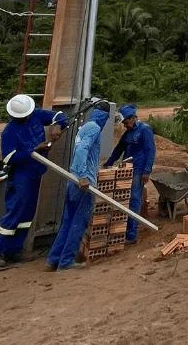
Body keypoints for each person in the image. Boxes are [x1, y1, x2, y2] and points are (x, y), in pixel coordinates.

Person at [0, 94, 67, 268]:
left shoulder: (36, 115)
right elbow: (8, 158)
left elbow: (59, 116)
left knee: (27, 215)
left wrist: (57, 125)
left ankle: (14, 250)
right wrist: (33, 150)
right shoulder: (10, 132)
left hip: (36, 172)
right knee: (15, 212)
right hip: (22, 176)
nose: (27, 118)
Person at [46, 104, 110, 271]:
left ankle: (54, 259)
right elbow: (83, 149)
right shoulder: (94, 128)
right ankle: (66, 262)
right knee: (78, 222)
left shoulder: (84, 127)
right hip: (83, 184)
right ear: (104, 117)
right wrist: (83, 176)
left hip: (72, 180)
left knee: (67, 221)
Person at [104, 104, 155, 245]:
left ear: (133, 118)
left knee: (134, 199)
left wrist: (147, 171)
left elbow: (151, 151)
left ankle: (132, 233)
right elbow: (118, 149)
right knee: (124, 198)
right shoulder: (128, 134)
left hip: (139, 170)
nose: (125, 126)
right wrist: (109, 163)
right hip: (127, 169)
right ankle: (124, 228)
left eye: (126, 122)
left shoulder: (145, 130)